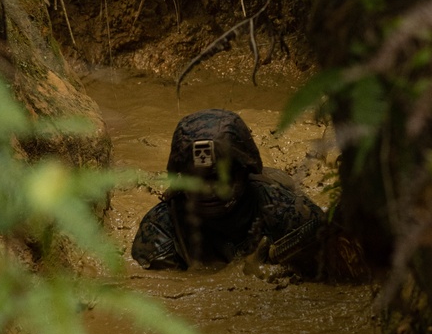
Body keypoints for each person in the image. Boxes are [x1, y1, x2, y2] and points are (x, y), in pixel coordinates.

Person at [131, 108, 326, 273]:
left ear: (244, 173)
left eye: (219, 178)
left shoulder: (284, 210)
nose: (207, 190)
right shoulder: (160, 232)